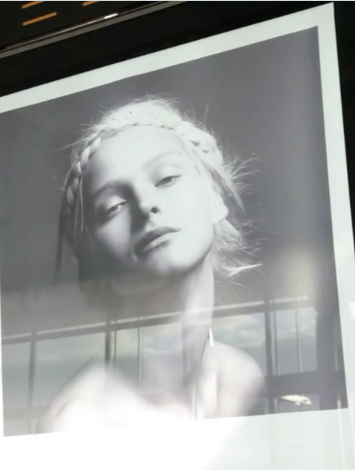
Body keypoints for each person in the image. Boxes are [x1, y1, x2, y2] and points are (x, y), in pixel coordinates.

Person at [41, 96, 265, 433]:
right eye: (113, 206)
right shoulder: (80, 425)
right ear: (97, 260)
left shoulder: (238, 377)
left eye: (166, 179)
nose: (146, 204)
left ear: (215, 200)